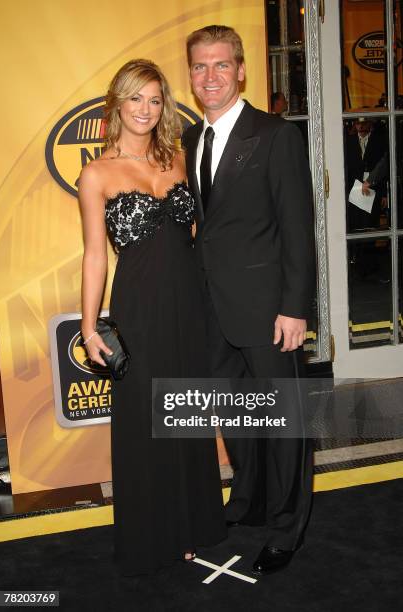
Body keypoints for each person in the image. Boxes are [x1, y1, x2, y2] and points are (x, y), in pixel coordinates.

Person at [78, 59, 226, 576]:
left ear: (164, 106)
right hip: (140, 306)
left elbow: (200, 239)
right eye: (136, 98)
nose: (145, 109)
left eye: (155, 99)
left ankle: (193, 525)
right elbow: (95, 254)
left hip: (190, 302)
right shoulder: (96, 174)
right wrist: (88, 325)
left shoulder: (180, 160)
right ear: (117, 104)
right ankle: (153, 534)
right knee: (147, 418)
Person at [182, 26, 315, 574]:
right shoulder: (192, 140)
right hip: (213, 309)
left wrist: (295, 307)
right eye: (198, 67)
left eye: (220, 65)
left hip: (268, 310)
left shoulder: (275, 134)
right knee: (234, 416)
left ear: (241, 70)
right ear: (189, 76)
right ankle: (248, 501)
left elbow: (297, 229)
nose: (209, 77)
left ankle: (287, 527)